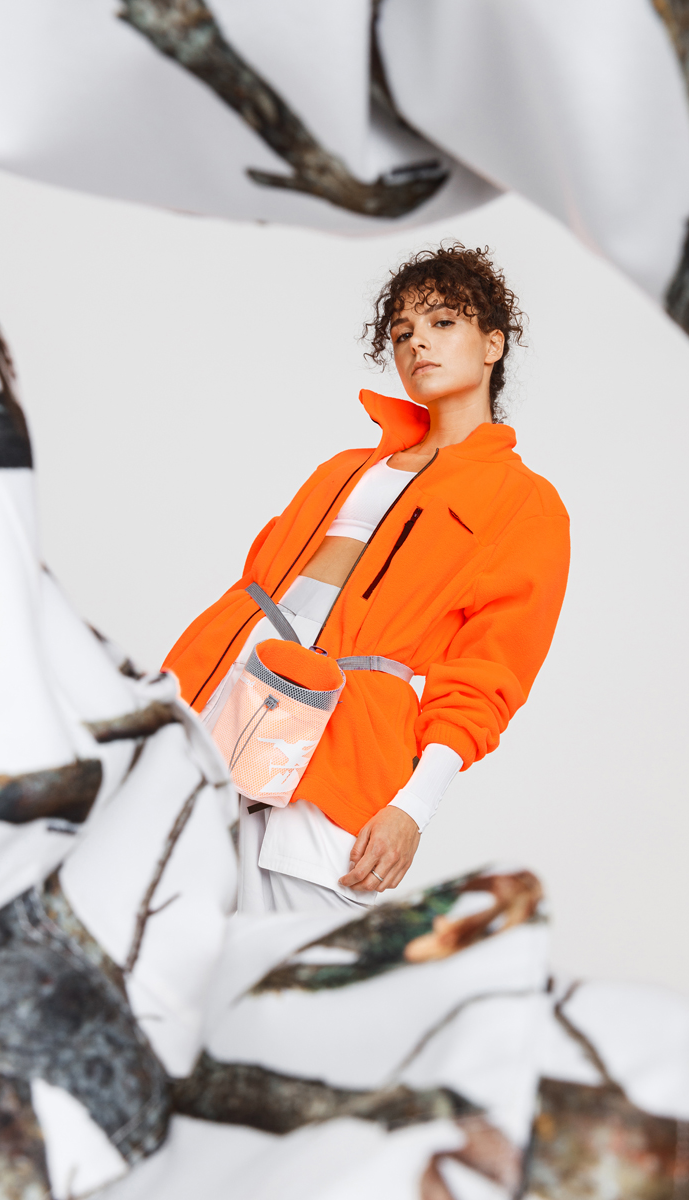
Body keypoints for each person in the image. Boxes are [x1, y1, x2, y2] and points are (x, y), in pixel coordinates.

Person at [164, 243, 570, 914]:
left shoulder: (523, 502)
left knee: (294, 970)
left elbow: (488, 677)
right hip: (230, 691)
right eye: (402, 333)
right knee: (163, 931)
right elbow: (260, 581)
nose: (418, 345)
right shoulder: (345, 468)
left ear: (493, 342)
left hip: (344, 735)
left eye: (443, 324)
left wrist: (413, 807)